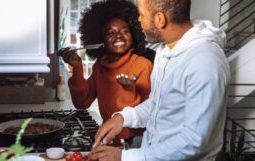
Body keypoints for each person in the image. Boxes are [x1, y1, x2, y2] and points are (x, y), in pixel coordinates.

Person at [89, 0, 230, 160]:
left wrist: (125, 157)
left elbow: (194, 141)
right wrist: (123, 118)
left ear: (160, 19)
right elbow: (159, 104)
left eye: (142, 15)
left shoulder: (205, 62)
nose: (138, 20)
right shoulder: (166, 50)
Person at [57, 0, 153, 146]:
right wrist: (77, 67)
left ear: (134, 35)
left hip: (137, 143)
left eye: (125, 31)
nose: (119, 36)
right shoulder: (100, 66)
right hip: (109, 139)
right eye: (111, 33)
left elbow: (149, 112)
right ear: (101, 40)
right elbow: (82, 102)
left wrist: (128, 90)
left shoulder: (143, 65)